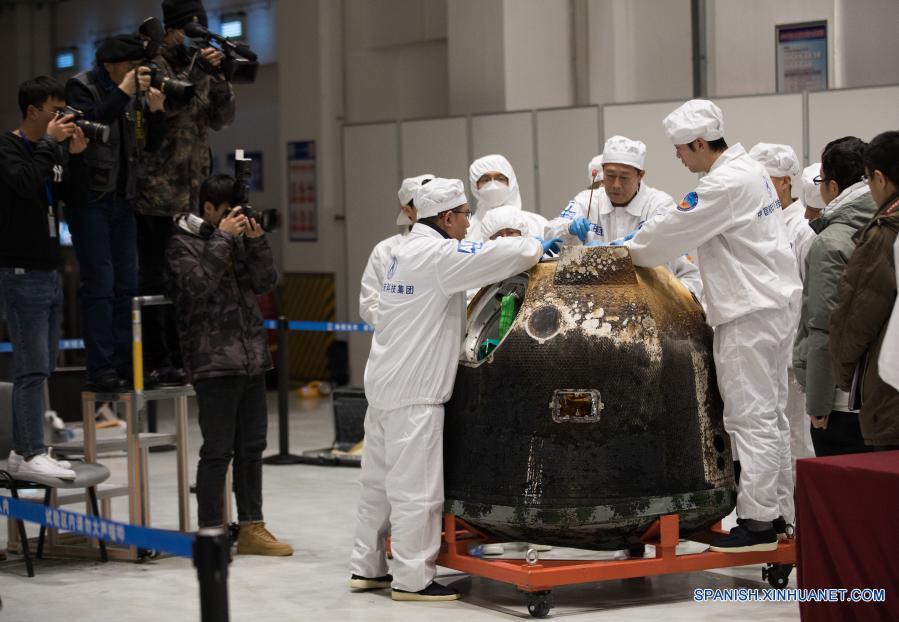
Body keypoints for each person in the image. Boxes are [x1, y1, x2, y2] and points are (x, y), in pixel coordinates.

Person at [349, 177, 561, 601]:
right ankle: (412, 579)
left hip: (385, 385)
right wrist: (537, 245)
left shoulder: (401, 251)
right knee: (417, 492)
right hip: (416, 394)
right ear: (446, 218)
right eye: (465, 216)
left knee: (376, 487)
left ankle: (367, 567)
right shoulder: (437, 254)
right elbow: (502, 253)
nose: (469, 223)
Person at [614, 99, 800, 552]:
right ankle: (776, 513)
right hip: (774, 306)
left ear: (699, 143)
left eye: (681, 150)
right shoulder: (751, 171)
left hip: (747, 313)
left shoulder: (723, 185)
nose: (678, 158)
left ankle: (756, 521)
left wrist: (623, 251)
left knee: (749, 417)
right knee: (772, 417)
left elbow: (668, 235)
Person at [166, 174, 292, 555]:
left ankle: (252, 526)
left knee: (252, 448)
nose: (235, 218)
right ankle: (211, 531)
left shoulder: (237, 241)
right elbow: (198, 286)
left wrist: (255, 241)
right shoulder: (181, 243)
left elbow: (265, 281)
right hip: (213, 361)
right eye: (228, 212)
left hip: (252, 357)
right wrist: (222, 238)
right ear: (208, 208)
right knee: (218, 449)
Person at [134, 0, 236, 386]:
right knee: (156, 277)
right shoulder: (152, 66)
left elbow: (222, 119)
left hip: (193, 194)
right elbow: (168, 108)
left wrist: (220, 75)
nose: (192, 43)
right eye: (187, 34)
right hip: (157, 193)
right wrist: (196, 69)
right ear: (172, 30)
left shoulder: (202, 68)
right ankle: (158, 358)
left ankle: (184, 354)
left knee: (189, 279)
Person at [65, 34, 167, 392]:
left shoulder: (134, 93)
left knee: (127, 286)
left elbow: (150, 145)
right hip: (89, 200)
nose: (137, 72)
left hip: (124, 199)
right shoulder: (81, 86)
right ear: (110, 65)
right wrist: (123, 91)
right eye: (131, 66)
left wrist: (156, 114)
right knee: (100, 286)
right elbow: (89, 124)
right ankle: (101, 368)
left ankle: (127, 366)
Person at [0, 76, 88, 479]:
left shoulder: (48, 151)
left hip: (50, 270)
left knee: (43, 366)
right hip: (21, 272)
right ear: (32, 111)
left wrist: (74, 156)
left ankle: (24, 452)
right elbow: (22, 184)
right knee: (30, 367)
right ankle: (31, 450)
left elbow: (64, 194)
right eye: (55, 112)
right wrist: (51, 146)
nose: (61, 119)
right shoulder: (8, 147)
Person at [793, 137, 877, 457]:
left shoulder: (831, 242)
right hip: (881, 392)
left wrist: (818, 402)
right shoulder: (885, 225)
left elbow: (824, 327)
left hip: (843, 399)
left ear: (831, 184)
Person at [547, 135, 703, 300]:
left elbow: (664, 252)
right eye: (610, 175)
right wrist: (569, 228)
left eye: (624, 178)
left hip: (652, 300)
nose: (616, 185)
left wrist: (614, 250)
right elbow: (551, 231)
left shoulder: (659, 204)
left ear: (640, 175)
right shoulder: (587, 200)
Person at [830, 130, 899, 451]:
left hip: (891, 388)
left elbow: (856, 316)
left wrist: (843, 374)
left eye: (869, 180)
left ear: (881, 179)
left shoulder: (883, 235)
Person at [749, 142, 816, 468]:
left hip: (793, 350)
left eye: (767, 180)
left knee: (797, 438)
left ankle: (801, 515)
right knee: (770, 433)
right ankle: (779, 513)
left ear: (785, 181)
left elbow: (810, 295)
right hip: (765, 347)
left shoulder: (802, 228)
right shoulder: (759, 222)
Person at [358, 174, 433, 326]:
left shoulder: (455, 245)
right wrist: (408, 322)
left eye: (436, 201)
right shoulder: (385, 251)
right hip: (401, 343)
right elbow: (369, 306)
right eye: (422, 203)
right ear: (407, 210)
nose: (433, 209)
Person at [467, 154, 546, 241]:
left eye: (500, 179)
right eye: (486, 180)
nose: (493, 185)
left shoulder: (537, 223)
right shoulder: (467, 230)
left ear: (511, 182)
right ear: (475, 186)